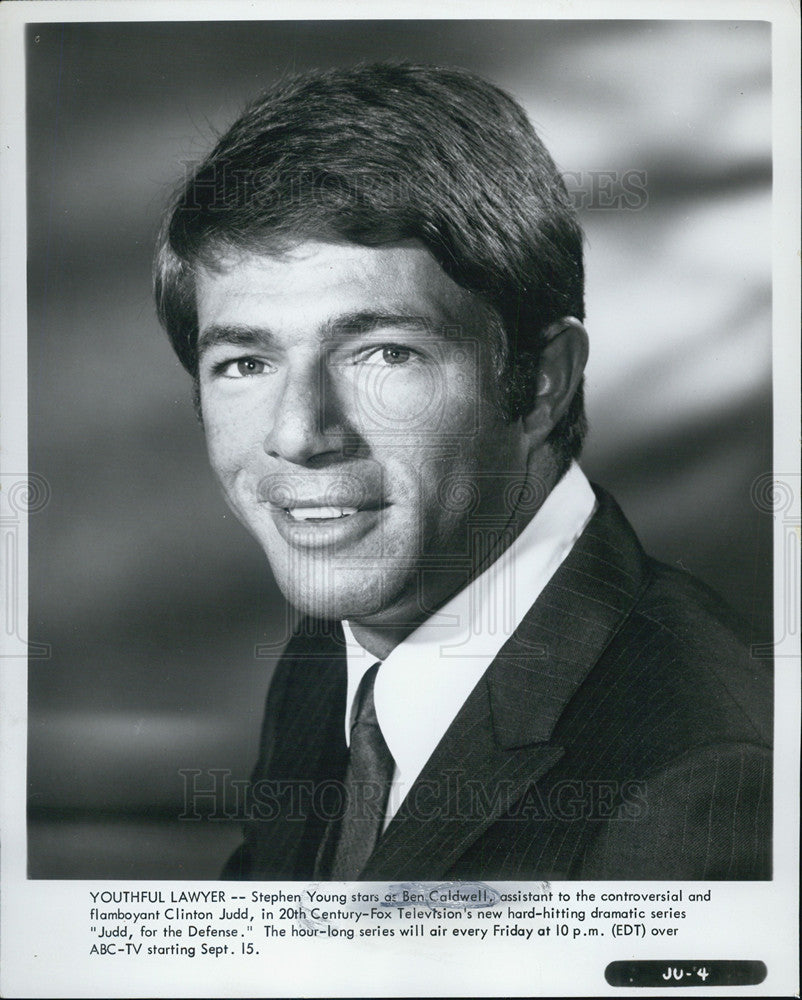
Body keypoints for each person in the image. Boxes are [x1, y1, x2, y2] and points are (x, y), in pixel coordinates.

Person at [154, 63, 772, 881]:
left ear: (543, 380)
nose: (301, 434)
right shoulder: (334, 655)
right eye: (244, 362)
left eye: (384, 353)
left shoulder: (702, 774)